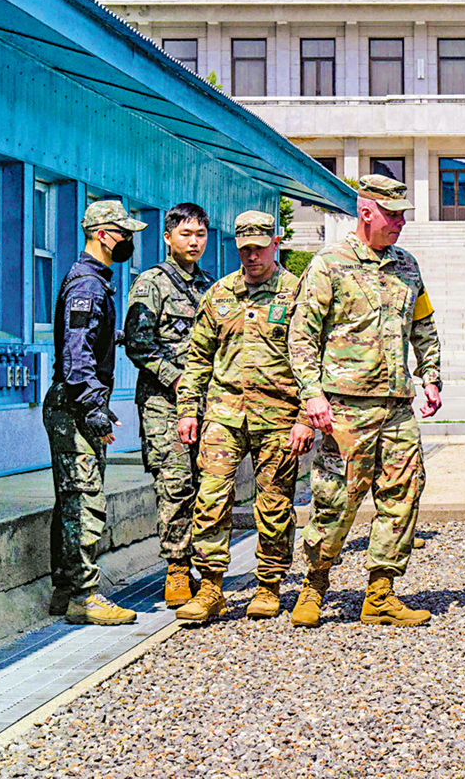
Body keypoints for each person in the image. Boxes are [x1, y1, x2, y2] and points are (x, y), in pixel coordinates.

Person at [288, 174, 442, 629]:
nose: (398, 224)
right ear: (365, 211)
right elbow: (301, 335)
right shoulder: (328, 264)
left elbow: (424, 327)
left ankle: (380, 594)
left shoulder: (407, 267)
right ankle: (314, 586)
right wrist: (311, 395)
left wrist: (430, 376)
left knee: (402, 496)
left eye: (402, 216)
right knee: (336, 500)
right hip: (344, 408)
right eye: (391, 215)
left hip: (396, 406)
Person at [174, 210, 307, 623]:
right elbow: (197, 358)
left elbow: (312, 360)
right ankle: (212, 587)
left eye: (259, 247)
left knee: (274, 504)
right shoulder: (220, 294)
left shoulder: (297, 293)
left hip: (278, 418)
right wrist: (188, 410)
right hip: (224, 415)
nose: (252, 256)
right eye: (244, 248)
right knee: (211, 499)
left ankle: (268, 585)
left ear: (276, 243)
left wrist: (305, 417)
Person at [43, 200, 147, 626]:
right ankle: (84, 598)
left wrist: (118, 335)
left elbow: (87, 337)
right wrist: (93, 409)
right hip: (75, 406)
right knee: (85, 501)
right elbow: (75, 354)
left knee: (71, 499)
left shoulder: (96, 281)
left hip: (75, 403)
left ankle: (66, 589)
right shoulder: (87, 283)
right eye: (124, 233)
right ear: (103, 235)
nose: (129, 241)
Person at [124, 203, 215, 608]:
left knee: (207, 484)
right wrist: (178, 380)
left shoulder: (210, 287)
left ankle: (204, 565)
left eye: (200, 234)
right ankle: (176, 569)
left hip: (205, 404)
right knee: (175, 484)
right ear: (167, 237)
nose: (193, 241)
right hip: (165, 402)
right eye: (185, 234)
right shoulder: (151, 284)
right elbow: (139, 345)